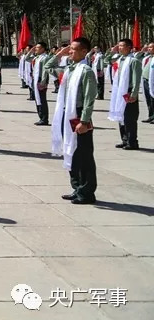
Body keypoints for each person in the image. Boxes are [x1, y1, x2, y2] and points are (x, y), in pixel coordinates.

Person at [46, 37, 98, 204]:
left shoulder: (86, 71)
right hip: (66, 114)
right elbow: (48, 67)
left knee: (84, 155)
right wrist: (59, 54)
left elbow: (90, 99)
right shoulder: (69, 70)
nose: (70, 51)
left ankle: (87, 192)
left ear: (84, 52)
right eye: (69, 49)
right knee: (72, 153)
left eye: (73, 49)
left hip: (79, 115)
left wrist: (84, 121)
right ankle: (77, 188)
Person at [107, 38, 142, 150]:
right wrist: (112, 52)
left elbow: (136, 80)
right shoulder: (119, 59)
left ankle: (132, 142)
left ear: (129, 47)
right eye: (119, 45)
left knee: (129, 118)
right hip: (119, 91)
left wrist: (134, 94)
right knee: (120, 116)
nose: (119, 48)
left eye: (122, 46)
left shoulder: (134, 61)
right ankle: (125, 139)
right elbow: (106, 60)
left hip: (128, 91)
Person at [31, 42, 51, 126]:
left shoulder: (45, 58)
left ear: (43, 49)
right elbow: (26, 59)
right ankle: (41, 117)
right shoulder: (37, 57)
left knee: (42, 99)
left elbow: (45, 71)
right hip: (35, 79)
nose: (36, 49)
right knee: (37, 99)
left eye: (38, 48)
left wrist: (43, 82)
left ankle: (44, 118)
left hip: (41, 80)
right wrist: (31, 51)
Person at [141, 42, 154, 123]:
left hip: (152, 82)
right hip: (146, 81)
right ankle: (151, 116)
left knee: (153, 99)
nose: (149, 49)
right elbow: (138, 56)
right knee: (148, 99)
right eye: (148, 47)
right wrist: (142, 50)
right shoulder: (148, 57)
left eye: (151, 47)